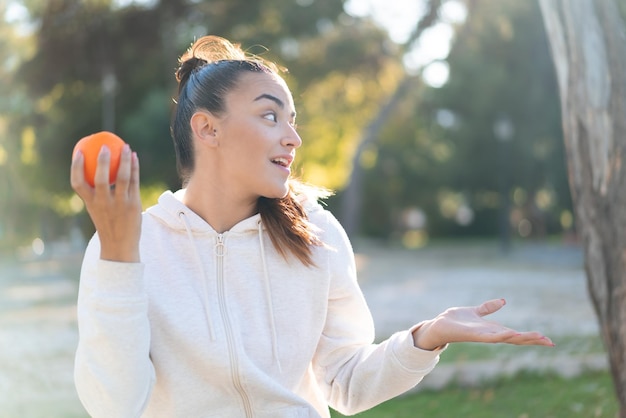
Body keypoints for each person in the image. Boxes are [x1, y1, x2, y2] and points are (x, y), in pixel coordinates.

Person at [70, 35, 554, 418]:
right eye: (269, 115)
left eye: (292, 120)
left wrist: (426, 336)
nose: (293, 137)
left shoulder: (314, 232)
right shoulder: (128, 246)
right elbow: (115, 406)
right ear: (207, 129)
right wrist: (118, 255)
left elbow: (346, 382)